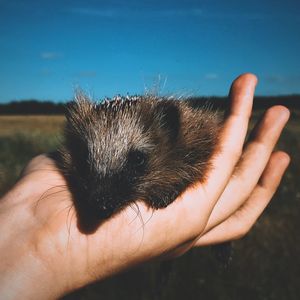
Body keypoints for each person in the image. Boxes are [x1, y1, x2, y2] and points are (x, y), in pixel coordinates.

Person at [0, 74, 290, 299]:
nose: (101, 200)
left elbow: (202, 166)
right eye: (89, 161)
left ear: (171, 133)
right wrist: (31, 244)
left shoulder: (190, 145)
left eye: (137, 162)